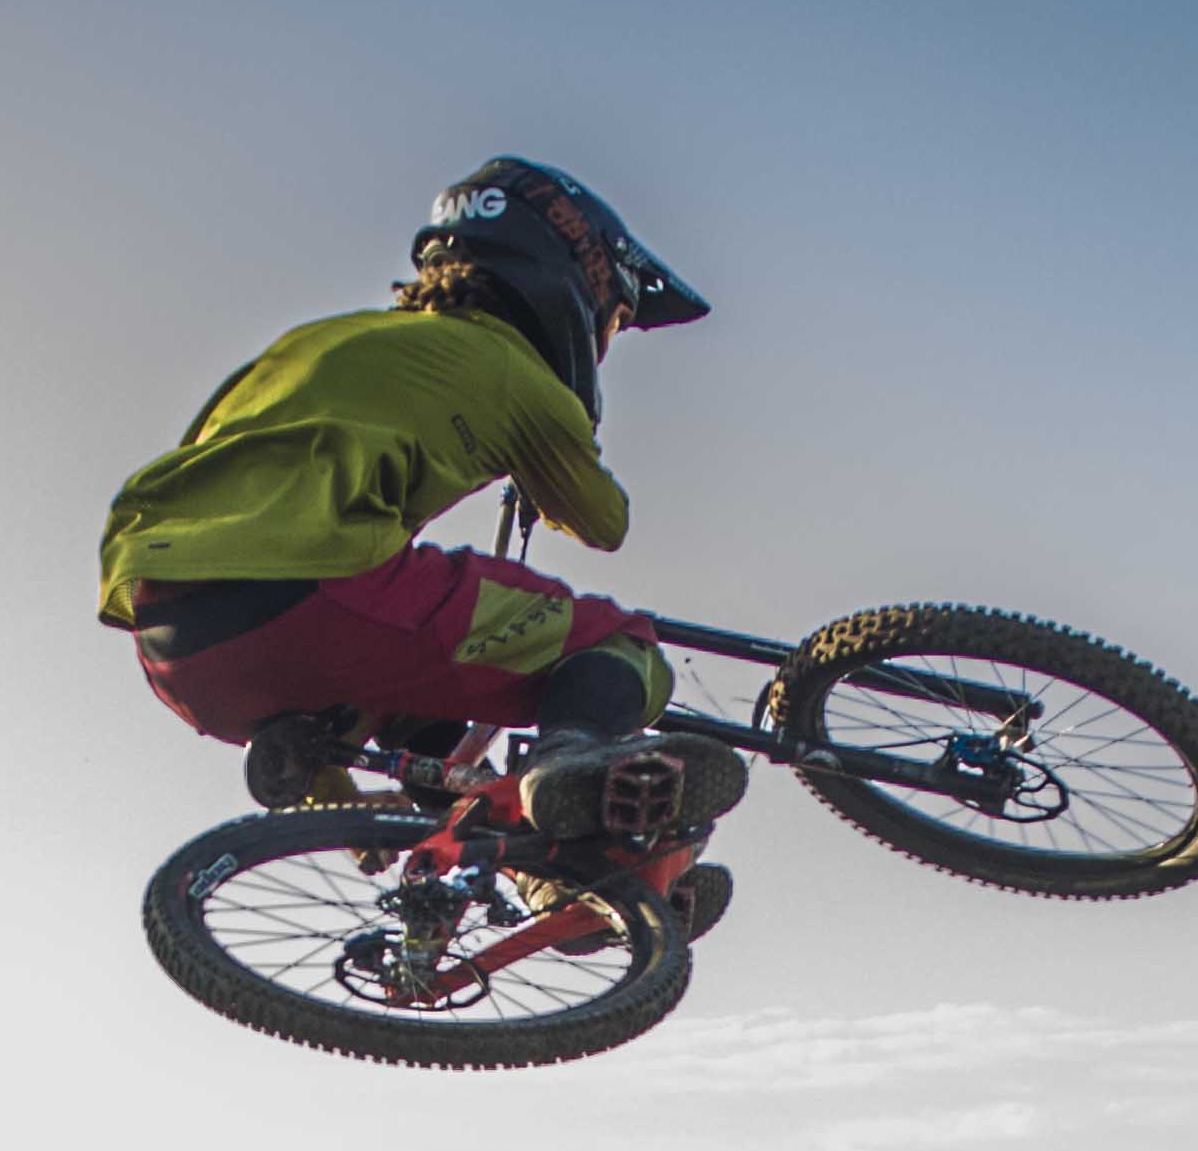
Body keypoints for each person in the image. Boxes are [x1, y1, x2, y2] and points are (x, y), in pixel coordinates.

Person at [102, 158, 747, 933]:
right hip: (311, 592)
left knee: (431, 717)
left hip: (180, 642)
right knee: (616, 642)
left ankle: (546, 866)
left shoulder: (312, 341)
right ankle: (568, 759)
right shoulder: (514, 372)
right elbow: (602, 522)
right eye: (612, 315)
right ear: (574, 283)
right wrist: (549, 446)